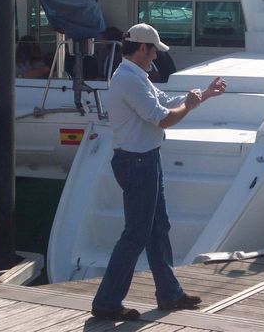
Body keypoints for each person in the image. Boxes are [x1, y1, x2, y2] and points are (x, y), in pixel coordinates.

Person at [91, 23, 227, 322]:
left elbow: (165, 104)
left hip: (142, 161)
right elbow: (162, 119)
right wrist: (191, 105)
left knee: (156, 229)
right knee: (136, 234)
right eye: (154, 50)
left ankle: (169, 293)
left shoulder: (134, 76)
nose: (156, 56)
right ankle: (107, 302)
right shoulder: (129, 80)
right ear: (142, 48)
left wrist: (202, 95)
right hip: (138, 163)